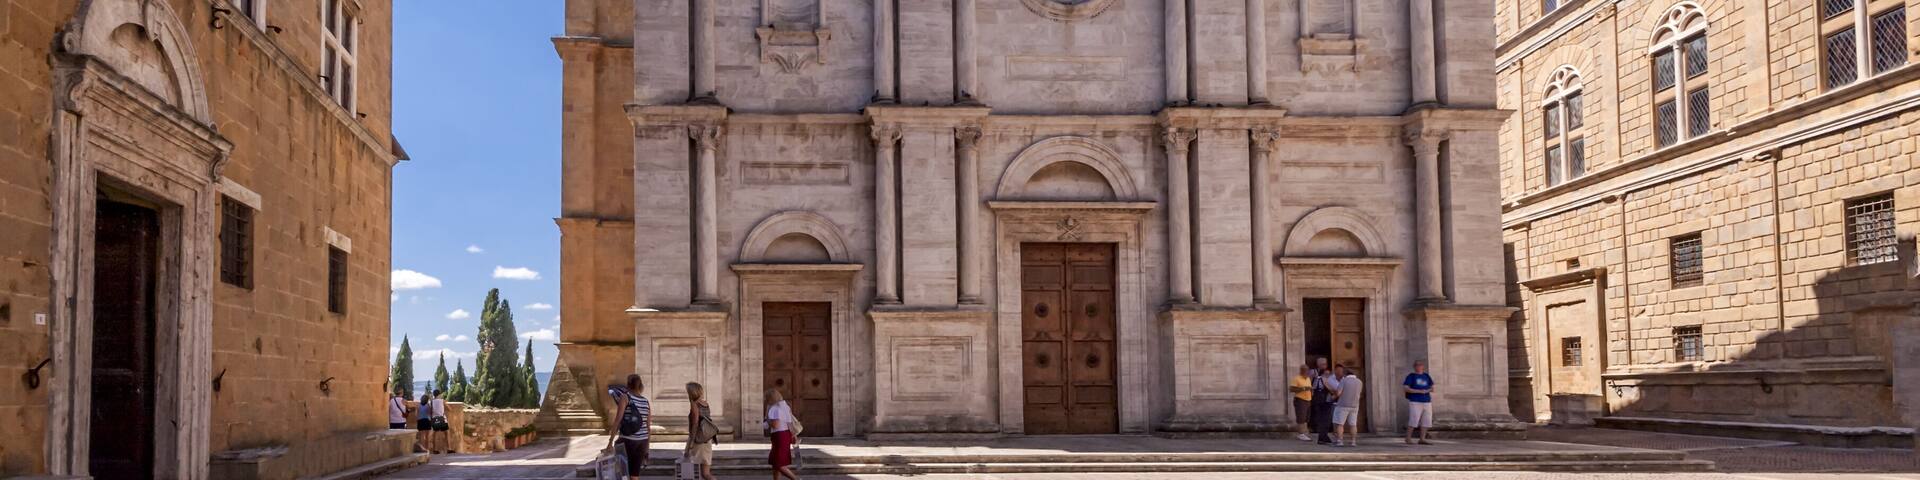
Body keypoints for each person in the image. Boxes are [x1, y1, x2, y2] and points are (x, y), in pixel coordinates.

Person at [607, 375, 651, 480]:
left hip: (627, 440)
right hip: (642, 441)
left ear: (628, 384)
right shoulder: (646, 401)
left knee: (622, 473)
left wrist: (610, 441)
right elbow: (648, 427)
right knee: (634, 474)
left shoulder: (625, 397)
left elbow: (618, 420)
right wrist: (647, 449)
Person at [765, 389, 800, 480]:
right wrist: (794, 435)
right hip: (785, 435)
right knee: (775, 463)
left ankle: (796, 479)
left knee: (778, 464)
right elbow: (789, 423)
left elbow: (775, 425)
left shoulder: (774, 408)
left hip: (779, 436)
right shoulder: (785, 407)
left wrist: (766, 421)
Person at [684, 382, 717, 480]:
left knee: (696, 472)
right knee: (705, 473)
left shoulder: (695, 405)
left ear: (691, 392)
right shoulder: (705, 403)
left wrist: (691, 443)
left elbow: (695, 424)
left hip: (698, 441)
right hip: (707, 439)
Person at [1331, 365, 1365, 447]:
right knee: (1353, 424)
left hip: (1343, 405)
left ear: (1345, 374)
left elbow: (1338, 393)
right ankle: (1353, 441)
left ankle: (1340, 441)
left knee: (1340, 424)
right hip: (1354, 405)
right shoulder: (1359, 382)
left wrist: (1333, 396)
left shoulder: (1344, 381)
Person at [1403, 360, 1435, 445]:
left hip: (1427, 401)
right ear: (1414, 367)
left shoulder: (1426, 376)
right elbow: (1406, 388)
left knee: (1426, 420)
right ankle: (1408, 438)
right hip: (1415, 401)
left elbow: (1432, 388)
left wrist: (1426, 390)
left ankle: (1422, 439)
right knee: (1414, 420)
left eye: (1420, 365)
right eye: (1417, 365)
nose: (1419, 366)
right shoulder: (1411, 376)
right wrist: (1418, 391)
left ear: (1423, 366)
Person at [1309, 357, 1336, 445]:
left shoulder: (1328, 375)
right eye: (1323, 364)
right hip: (1319, 398)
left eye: (1325, 364)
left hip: (1326, 399)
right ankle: (1322, 436)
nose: (1324, 365)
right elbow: (1309, 383)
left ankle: (1323, 436)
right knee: (1322, 418)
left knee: (1326, 419)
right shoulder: (1314, 373)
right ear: (1318, 364)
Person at [1289, 365, 1313, 441]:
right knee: (1301, 417)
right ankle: (1301, 434)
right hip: (1300, 400)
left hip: (1308, 400)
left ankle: (1304, 432)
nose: (1306, 372)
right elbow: (1291, 389)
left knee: (1306, 417)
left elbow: (1309, 388)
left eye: (1307, 370)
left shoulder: (1308, 379)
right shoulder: (1297, 379)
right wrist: (1303, 388)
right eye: (1304, 370)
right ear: (1301, 370)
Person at [429, 389, 450, 454]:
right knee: (447, 433)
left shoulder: (431, 402)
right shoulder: (442, 401)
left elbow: (430, 411)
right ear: (439, 394)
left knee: (435, 434)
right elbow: (449, 409)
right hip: (442, 419)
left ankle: (435, 449)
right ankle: (449, 448)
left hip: (435, 419)